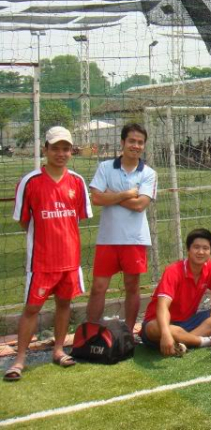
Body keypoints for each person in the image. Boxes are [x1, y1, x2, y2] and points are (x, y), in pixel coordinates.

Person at [5, 127, 92, 381]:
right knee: (32, 308)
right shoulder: (30, 181)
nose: (61, 153)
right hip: (42, 261)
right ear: (45, 150)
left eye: (66, 148)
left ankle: (58, 350)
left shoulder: (77, 181)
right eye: (55, 148)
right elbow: (24, 221)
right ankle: (19, 359)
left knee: (64, 304)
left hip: (69, 260)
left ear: (71, 151)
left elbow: (77, 217)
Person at [86, 123, 157, 332]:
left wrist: (111, 196)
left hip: (135, 239)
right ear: (122, 143)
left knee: (132, 287)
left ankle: (127, 332)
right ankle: (91, 332)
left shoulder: (149, 173)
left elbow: (140, 205)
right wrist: (126, 194)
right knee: (98, 288)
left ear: (144, 145)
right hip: (108, 238)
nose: (136, 146)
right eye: (132, 141)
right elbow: (96, 198)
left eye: (140, 142)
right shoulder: (105, 167)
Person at [141, 228, 211, 356]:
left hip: (189, 322)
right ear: (188, 250)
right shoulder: (173, 271)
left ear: (210, 252)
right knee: (155, 328)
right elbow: (162, 306)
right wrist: (166, 333)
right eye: (196, 247)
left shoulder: (210, 268)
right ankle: (203, 341)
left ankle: (184, 341)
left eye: (205, 248)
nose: (200, 252)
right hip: (162, 324)